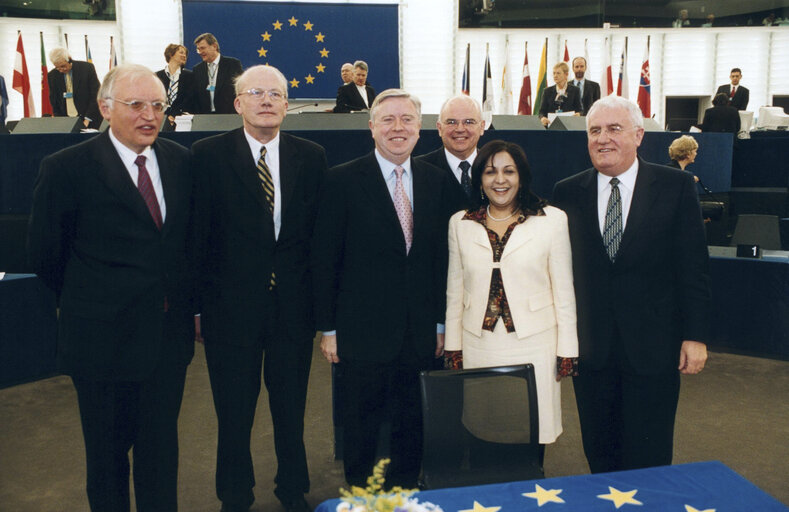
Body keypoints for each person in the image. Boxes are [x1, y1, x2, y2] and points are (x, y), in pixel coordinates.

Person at [28, 64, 195, 511]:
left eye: (158, 105)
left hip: (166, 342)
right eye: (136, 104)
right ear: (105, 107)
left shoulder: (181, 161)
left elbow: (185, 246)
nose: (150, 115)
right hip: (100, 344)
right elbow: (46, 256)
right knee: (106, 461)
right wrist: (97, 301)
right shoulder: (66, 168)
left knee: (162, 455)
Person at [192, 64, 327, 512]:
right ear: (238, 103)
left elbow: (318, 241)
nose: (266, 100)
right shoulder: (206, 155)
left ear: (288, 105)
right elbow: (197, 239)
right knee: (234, 414)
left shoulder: (311, 156)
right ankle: (234, 495)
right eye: (256, 93)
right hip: (229, 312)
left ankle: (293, 490)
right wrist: (196, 307)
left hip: (293, 309)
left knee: (291, 412)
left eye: (276, 94)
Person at [552, 95, 710, 474]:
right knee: (600, 455)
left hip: (654, 347)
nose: (602, 138)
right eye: (594, 131)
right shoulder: (565, 193)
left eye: (614, 129)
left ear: (639, 135)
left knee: (650, 456)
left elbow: (693, 267)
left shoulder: (676, 186)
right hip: (592, 351)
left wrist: (696, 335)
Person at [312, 89, 457, 488]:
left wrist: (443, 324)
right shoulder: (340, 180)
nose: (398, 128)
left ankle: (405, 493)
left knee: (413, 423)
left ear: (420, 128)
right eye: (388, 120)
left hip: (421, 332)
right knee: (361, 427)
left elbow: (443, 262)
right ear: (371, 126)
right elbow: (326, 260)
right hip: (360, 333)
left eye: (407, 120)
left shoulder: (437, 182)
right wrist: (329, 329)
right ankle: (363, 497)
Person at [443, 139, 578, 455]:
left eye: (509, 171)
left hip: (535, 344)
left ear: (522, 176)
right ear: (479, 178)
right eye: (490, 172)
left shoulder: (552, 219)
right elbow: (454, 291)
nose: (499, 180)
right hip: (480, 345)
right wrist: (453, 346)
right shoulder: (460, 223)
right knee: (484, 430)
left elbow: (564, 290)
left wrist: (568, 349)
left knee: (530, 432)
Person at [417, 94, 486, 208]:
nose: (460, 129)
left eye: (469, 122)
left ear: (482, 127)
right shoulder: (418, 170)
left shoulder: (495, 167)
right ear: (439, 128)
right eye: (451, 122)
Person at [47, 47, 101, 129]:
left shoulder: (86, 69)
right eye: (57, 67)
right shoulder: (52, 75)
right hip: (67, 122)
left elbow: (96, 95)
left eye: (63, 66)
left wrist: (87, 119)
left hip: (89, 119)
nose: (61, 70)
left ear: (69, 59)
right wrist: (60, 121)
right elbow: (54, 101)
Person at [192, 33, 243, 114]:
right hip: (206, 118)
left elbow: (240, 90)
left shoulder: (233, 64)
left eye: (203, 48)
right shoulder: (197, 69)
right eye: (198, 49)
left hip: (229, 116)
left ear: (214, 46)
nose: (200, 52)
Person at [156, 43, 197, 127]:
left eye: (185, 54)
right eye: (181, 52)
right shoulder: (157, 76)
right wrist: (167, 116)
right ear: (171, 54)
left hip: (183, 119)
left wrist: (174, 115)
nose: (184, 56)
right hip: (162, 119)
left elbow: (188, 99)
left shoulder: (190, 76)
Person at [539, 62, 583, 126]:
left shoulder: (575, 90)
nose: (555, 76)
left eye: (558, 73)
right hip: (551, 127)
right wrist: (542, 118)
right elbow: (541, 112)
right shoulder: (547, 91)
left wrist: (579, 114)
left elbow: (580, 110)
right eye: (554, 73)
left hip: (570, 126)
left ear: (566, 74)